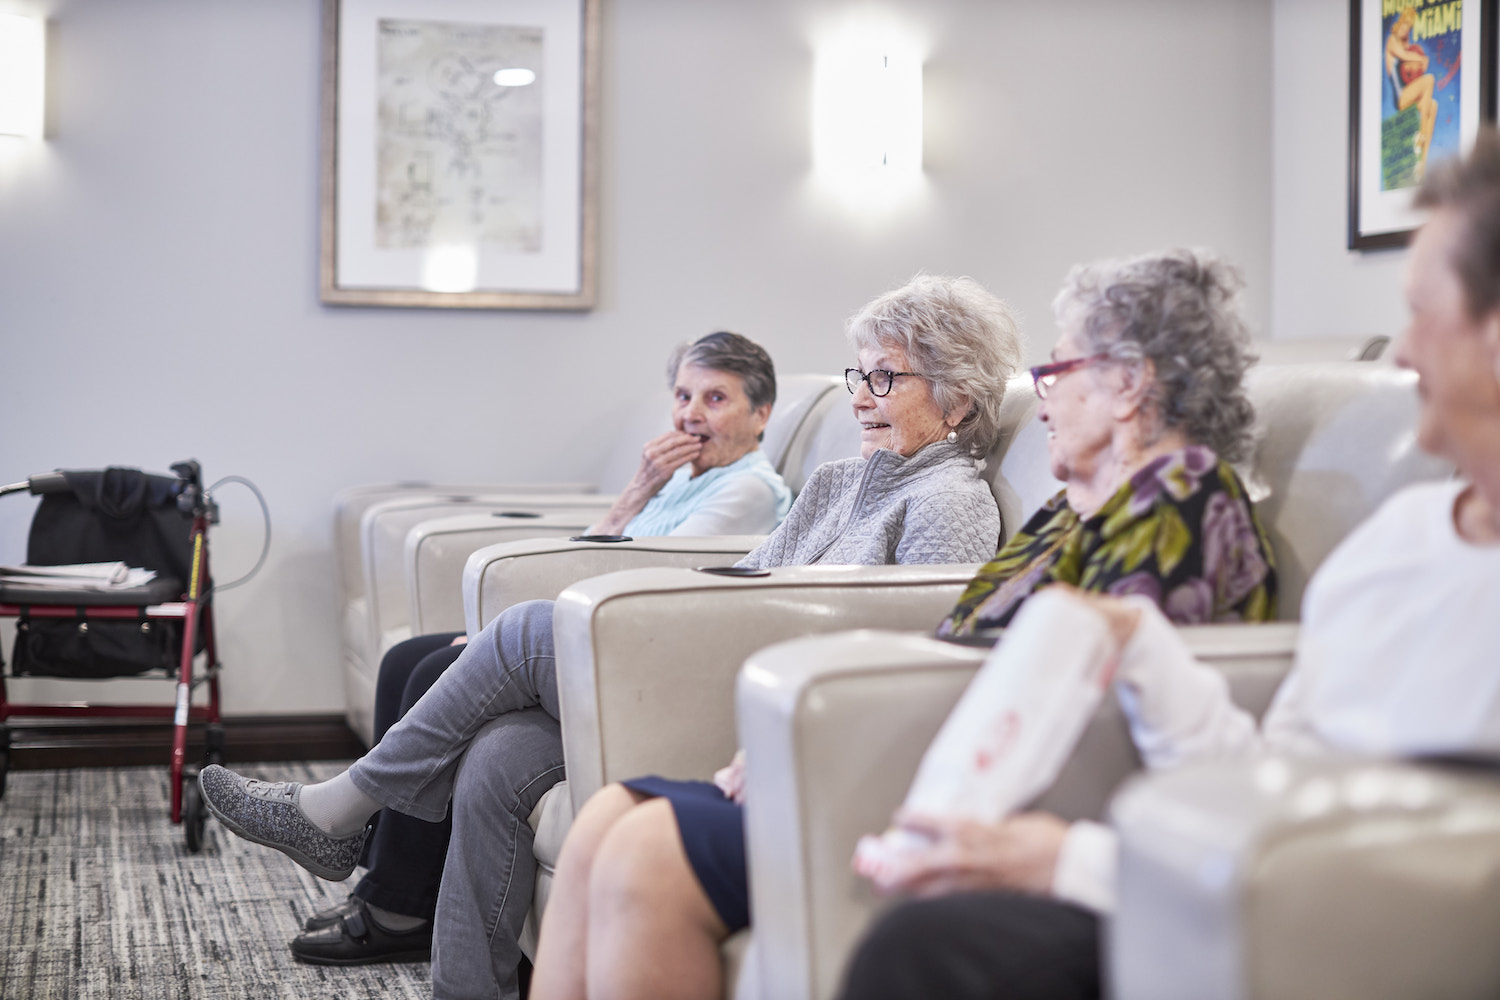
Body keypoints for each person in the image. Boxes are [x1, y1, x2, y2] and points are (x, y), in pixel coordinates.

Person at [198, 272, 1022, 1000]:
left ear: (957, 398)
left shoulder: (949, 501)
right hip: (719, 654)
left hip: (762, 695)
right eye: (859, 374)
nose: (861, 397)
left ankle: (339, 812)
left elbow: (918, 632)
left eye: (886, 377)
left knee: (522, 631)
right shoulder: (843, 479)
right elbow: (748, 578)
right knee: (498, 758)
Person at [835, 130, 1500, 1000]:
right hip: (1237, 879)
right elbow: (1273, 765)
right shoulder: (1401, 536)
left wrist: (1074, 861)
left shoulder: (1188, 500)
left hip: (1334, 932)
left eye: (1422, 310)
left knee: (927, 949)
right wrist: (1137, 643)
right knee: (926, 940)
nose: (1404, 351)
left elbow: (1431, 876)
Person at [525, 248, 1279, 1000]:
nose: (1041, 399)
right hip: (913, 747)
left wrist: (830, 732)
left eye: (1058, 372)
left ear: (1130, 385)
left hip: (957, 794)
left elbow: (1088, 712)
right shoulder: (1081, 509)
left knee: (648, 852)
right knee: (606, 821)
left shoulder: (1179, 510)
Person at [290, 330, 794, 967]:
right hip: (593, 624)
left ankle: (398, 905)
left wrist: (505, 639)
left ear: (761, 414)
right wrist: (638, 489)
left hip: (635, 649)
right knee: (407, 660)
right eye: (683, 395)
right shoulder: (679, 480)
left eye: (715, 398)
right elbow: (596, 549)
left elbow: (646, 576)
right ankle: (385, 885)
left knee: (433, 669)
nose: (691, 414)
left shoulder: (745, 488)